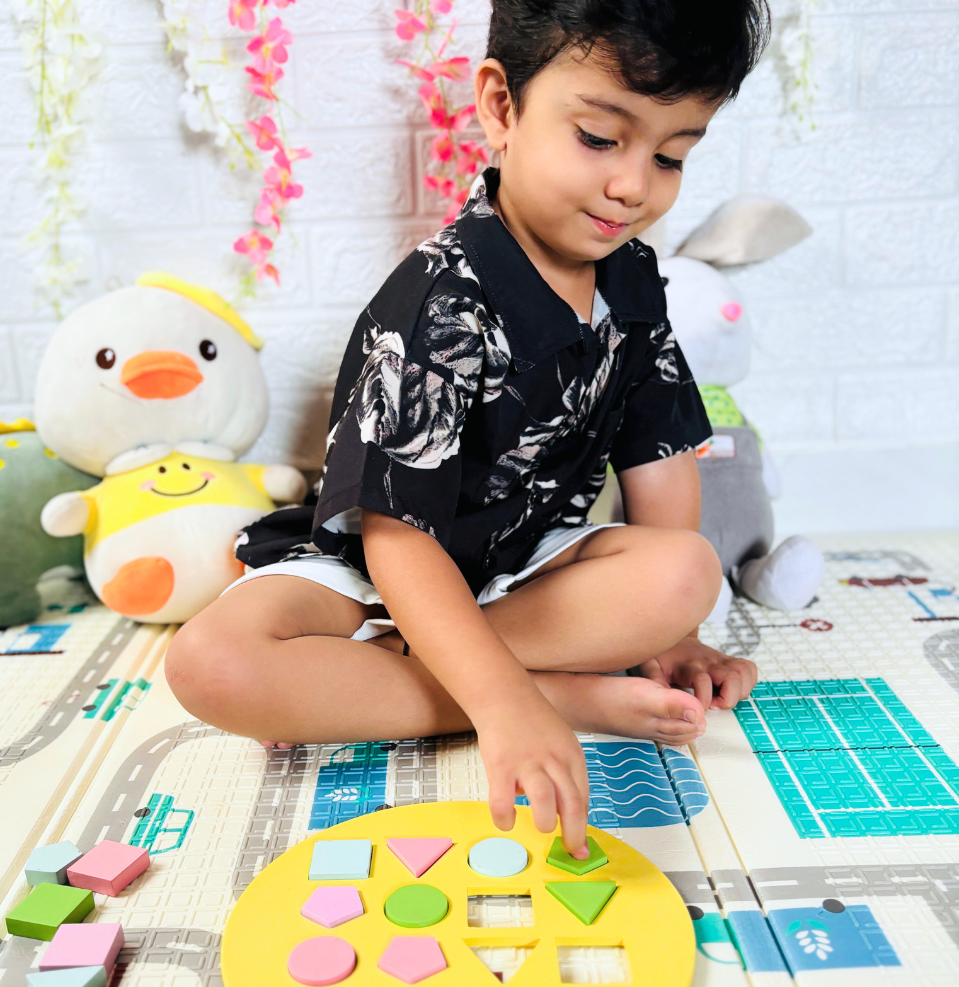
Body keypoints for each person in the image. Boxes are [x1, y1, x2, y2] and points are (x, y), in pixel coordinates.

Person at [166, 0, 768, 859]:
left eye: (671, 155)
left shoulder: (632, 279)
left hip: (527, 574)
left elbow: (661, 462)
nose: (635, 185)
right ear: (500, 106)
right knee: (211, 666)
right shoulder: (442, 299)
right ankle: (555, 691)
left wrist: (674, 636)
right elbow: (397, 540)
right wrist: (508, 703)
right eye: (601, 138)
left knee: (685, 572)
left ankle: (424, 682)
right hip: (376, 569)